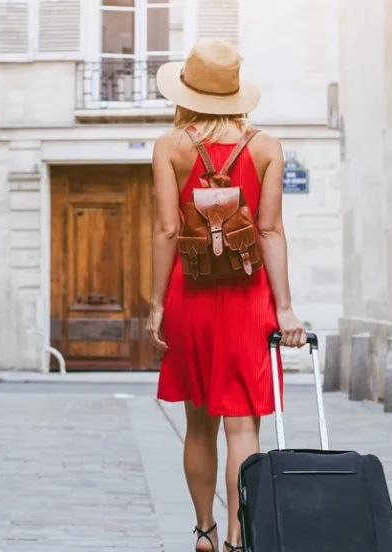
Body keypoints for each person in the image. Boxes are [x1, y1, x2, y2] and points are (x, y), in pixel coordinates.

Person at [146, 38, 308, 552]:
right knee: (243, 428)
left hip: (189, 298)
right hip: (247, 299)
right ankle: (241, 538)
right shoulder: (266, 148)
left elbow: (168, 231)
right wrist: (285, 309)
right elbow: (271, 231)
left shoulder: (169, 147)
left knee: (198, 425)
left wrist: (155, 304)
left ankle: (205, 531)